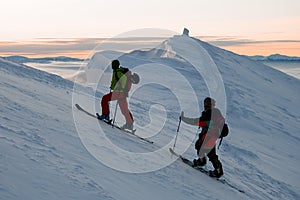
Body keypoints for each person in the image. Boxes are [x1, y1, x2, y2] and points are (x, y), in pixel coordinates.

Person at [180, 97, 225, 178]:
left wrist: (184, 119)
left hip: (208, 136)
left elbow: (198, 122)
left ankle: (204, 163)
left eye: (206, 104)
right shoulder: (215, 112)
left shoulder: (209, 114)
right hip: (212, 136)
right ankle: (217, 169)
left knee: (202, 148)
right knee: (209, 152)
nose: (205, 105)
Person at [97, 59, 137, 130]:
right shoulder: (118, 71)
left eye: (113, 64)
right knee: (124, 109)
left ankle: (105, 115)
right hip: (122, 93)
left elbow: (123, 80)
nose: (112, 66)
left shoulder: (118, 72)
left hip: (119, 92)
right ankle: (130, 123)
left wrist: (119, 87)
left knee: (105, 99)